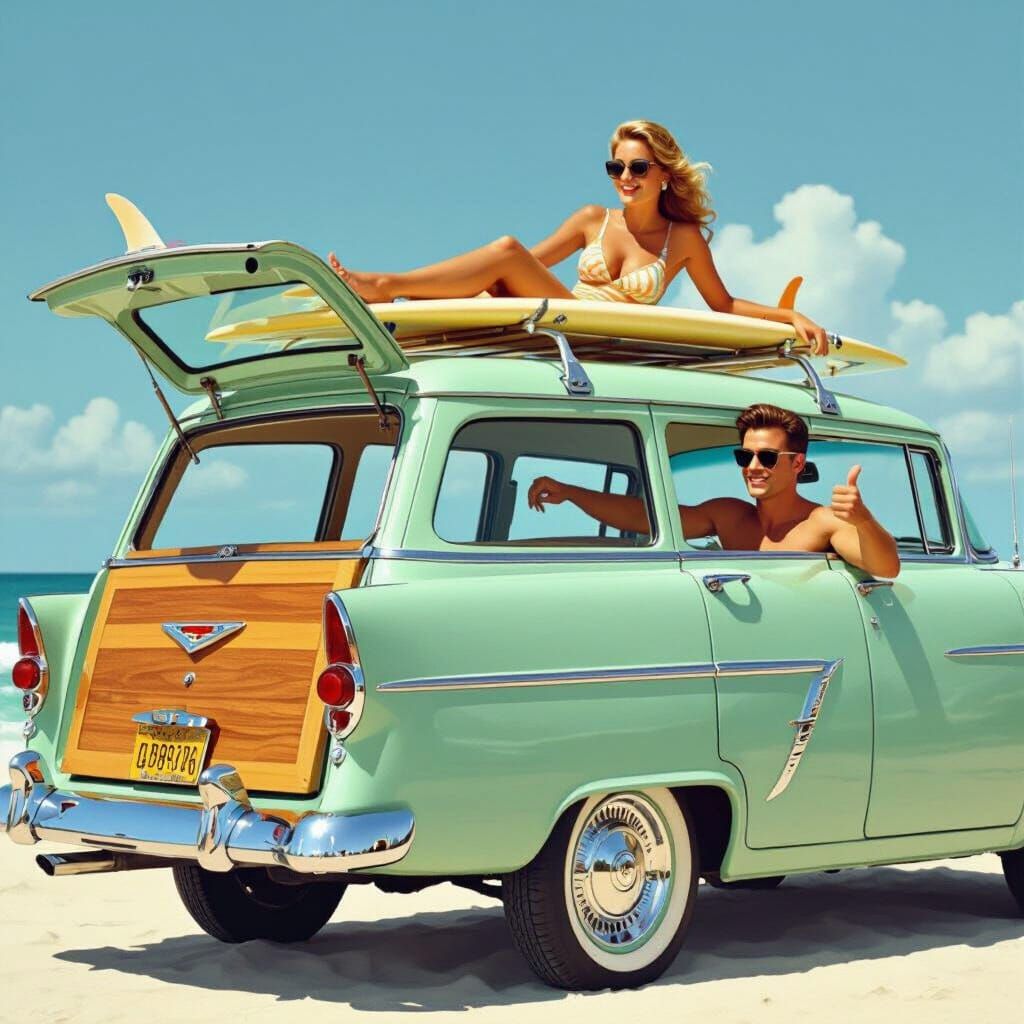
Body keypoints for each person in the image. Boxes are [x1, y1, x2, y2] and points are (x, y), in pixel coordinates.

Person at [328, 120, 831, 356]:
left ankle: (384, 284)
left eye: (636, 166)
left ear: (663, 173)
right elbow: (523, 267)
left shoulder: (684, 239)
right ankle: (387, 289)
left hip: (608, 338)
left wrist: (788, 315)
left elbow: (722, 305)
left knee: (505, 248)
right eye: (616, 167)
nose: (624, 177)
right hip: (568, 314)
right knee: (505, 254)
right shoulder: (593, 218)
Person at [527, 403, 901, 578]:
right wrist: (573, 492)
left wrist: (864, 520)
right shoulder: (729, 515)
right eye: (745, 455)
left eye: (767, 457)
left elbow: (886, 568)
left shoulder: (822, 523)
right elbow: (646, 519)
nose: (753, 467)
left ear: (797, 464)